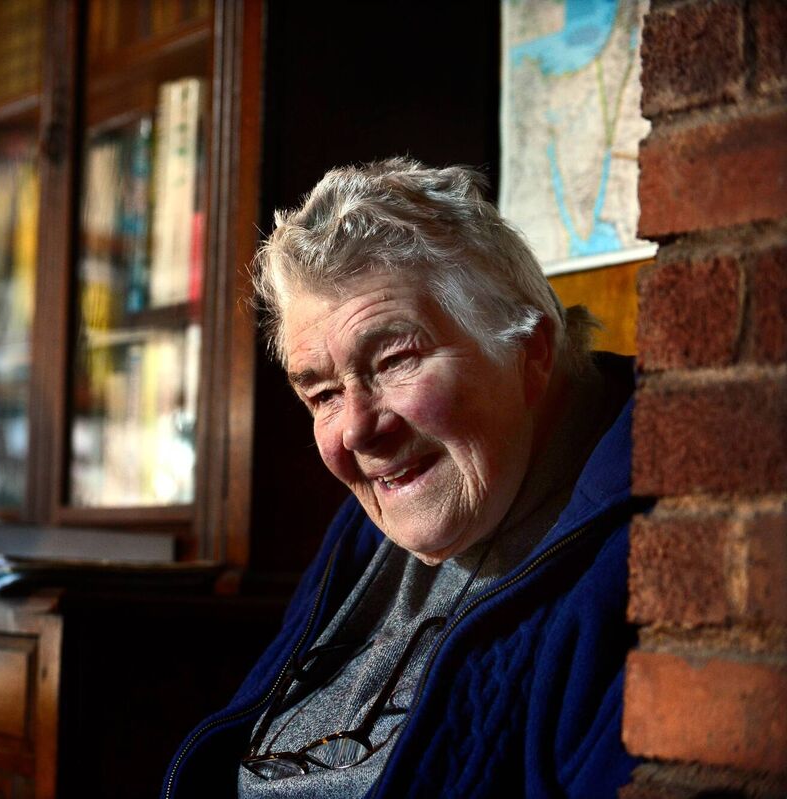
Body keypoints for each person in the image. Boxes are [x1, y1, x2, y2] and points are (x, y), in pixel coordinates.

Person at [163, 158, 644, 798]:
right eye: (324, 394)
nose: (358, 431)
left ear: (531, 352)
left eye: (395, 360)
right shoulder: (388, 510)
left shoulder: (637, 561)